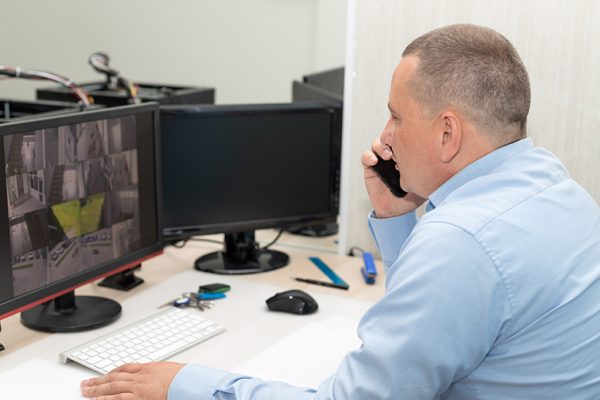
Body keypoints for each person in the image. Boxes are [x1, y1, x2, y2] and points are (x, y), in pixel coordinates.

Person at [80, 24, 600, 400]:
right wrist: (398, 223)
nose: (387, 137)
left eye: (396, 116)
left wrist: (184, 384)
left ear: (448, 132)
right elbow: (443, 324)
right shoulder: (557, 188)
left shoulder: (462, 242)